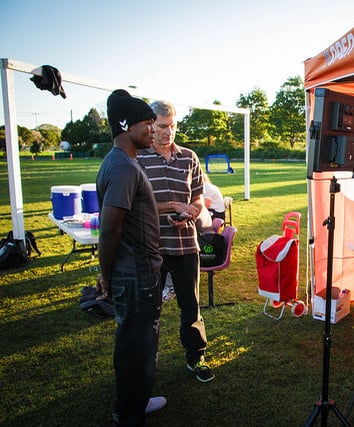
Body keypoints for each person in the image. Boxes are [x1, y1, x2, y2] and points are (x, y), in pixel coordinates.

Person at [96, 89, 166, 425]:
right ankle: (128, 412)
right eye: (146, 123)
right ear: (125, 125)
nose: (152, 129)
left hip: (137, 272)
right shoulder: (123, 167)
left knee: (138, 343)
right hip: (136, 275)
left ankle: (137, 399)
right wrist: (106, 275)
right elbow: (109, 229)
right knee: (136, 347)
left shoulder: (123, 162)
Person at [136, 100, 214, 383]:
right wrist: (170, 206)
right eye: (162, 126)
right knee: (148, 310)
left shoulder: (189, 157)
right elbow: (136, 204)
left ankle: (196, 357)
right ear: (151, 127)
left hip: (185, 244)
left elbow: (198, 198)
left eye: (172, 126)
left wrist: (190, 212)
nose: (168, 132)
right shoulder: (138, 158)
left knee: (190, 307)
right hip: (151, 247)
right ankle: (144, 366)